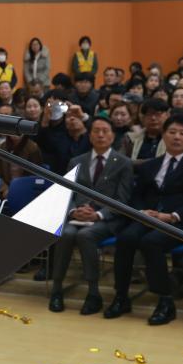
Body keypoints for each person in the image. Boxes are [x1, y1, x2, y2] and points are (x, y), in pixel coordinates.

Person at [105, 114, 183, 325]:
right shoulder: (151, 165)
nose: (177, 138)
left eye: (182, 134)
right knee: (125, 238)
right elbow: (136, 195)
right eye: (172, 132)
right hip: (148, 218)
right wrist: (141, 211)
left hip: (179, 222)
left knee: (151, 242)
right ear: (164, 136)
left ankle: (165, 301)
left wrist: (173, 216)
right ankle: (121, 296)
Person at [48, 117, 133, 315]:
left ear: (113, 136)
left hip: (107, 219)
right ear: (90, 135)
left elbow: (123, 200)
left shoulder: (124, 163)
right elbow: (65, 193)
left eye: (105, 131)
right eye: (96, 131)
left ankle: (93, 293)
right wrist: (72, 211)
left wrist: (99, 215)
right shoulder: (76, 161)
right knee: (65, 233)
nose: (101, 135)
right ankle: (56, 289)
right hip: (76, 216)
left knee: (85, 236)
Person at [123, 98, 169, 163]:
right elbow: (121, 162)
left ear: (167, 116)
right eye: (149, 114)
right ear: (143, 118)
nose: (153, 118)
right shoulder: (130, 139)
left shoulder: (173, 139)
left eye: (158, 114)